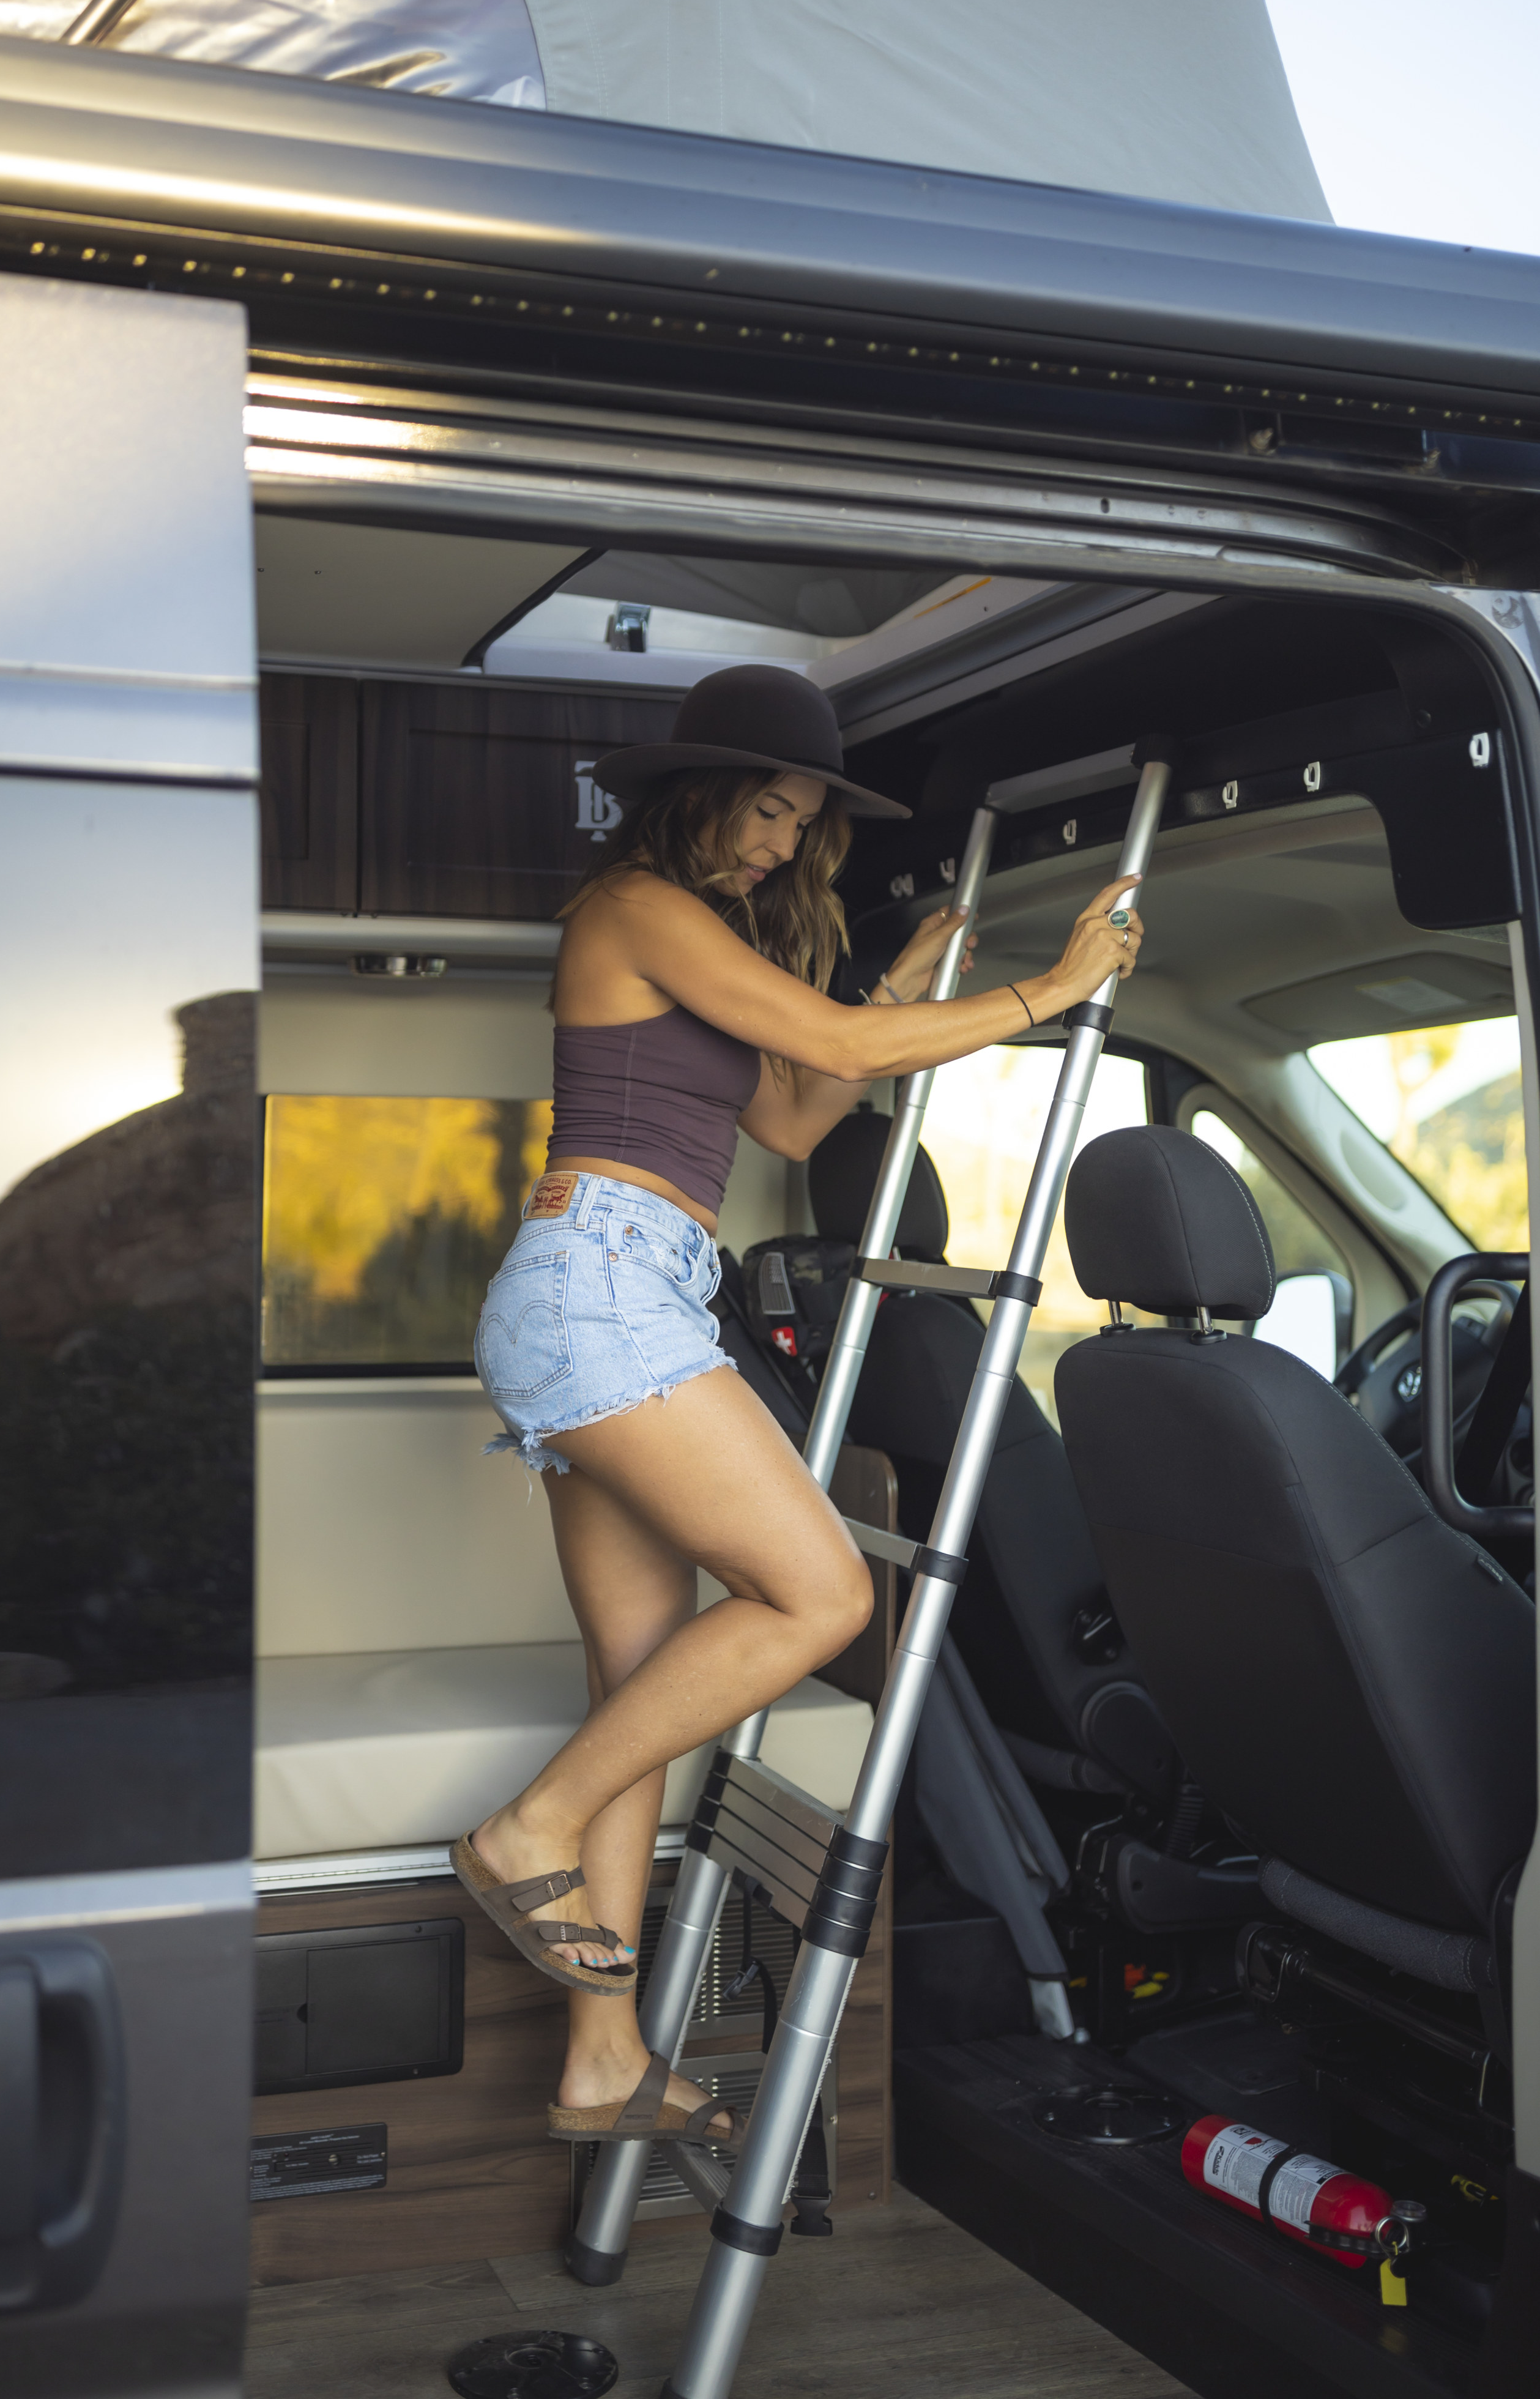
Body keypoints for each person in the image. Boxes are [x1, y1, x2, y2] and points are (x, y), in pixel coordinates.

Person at [453, 663, 1142, 2151]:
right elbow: (827, 1055)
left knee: (638, 1680)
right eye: (769, 809)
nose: (779, 843)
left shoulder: (684, 938)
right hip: (603, 1287)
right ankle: (524, 1829)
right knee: (824, 1591)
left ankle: (596, 2057)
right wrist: (1048, 990)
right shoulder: (635, 905)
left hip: (616, 1288)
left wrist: (895, 985)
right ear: (699, 790)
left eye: (800, 821)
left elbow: (784, 1108)